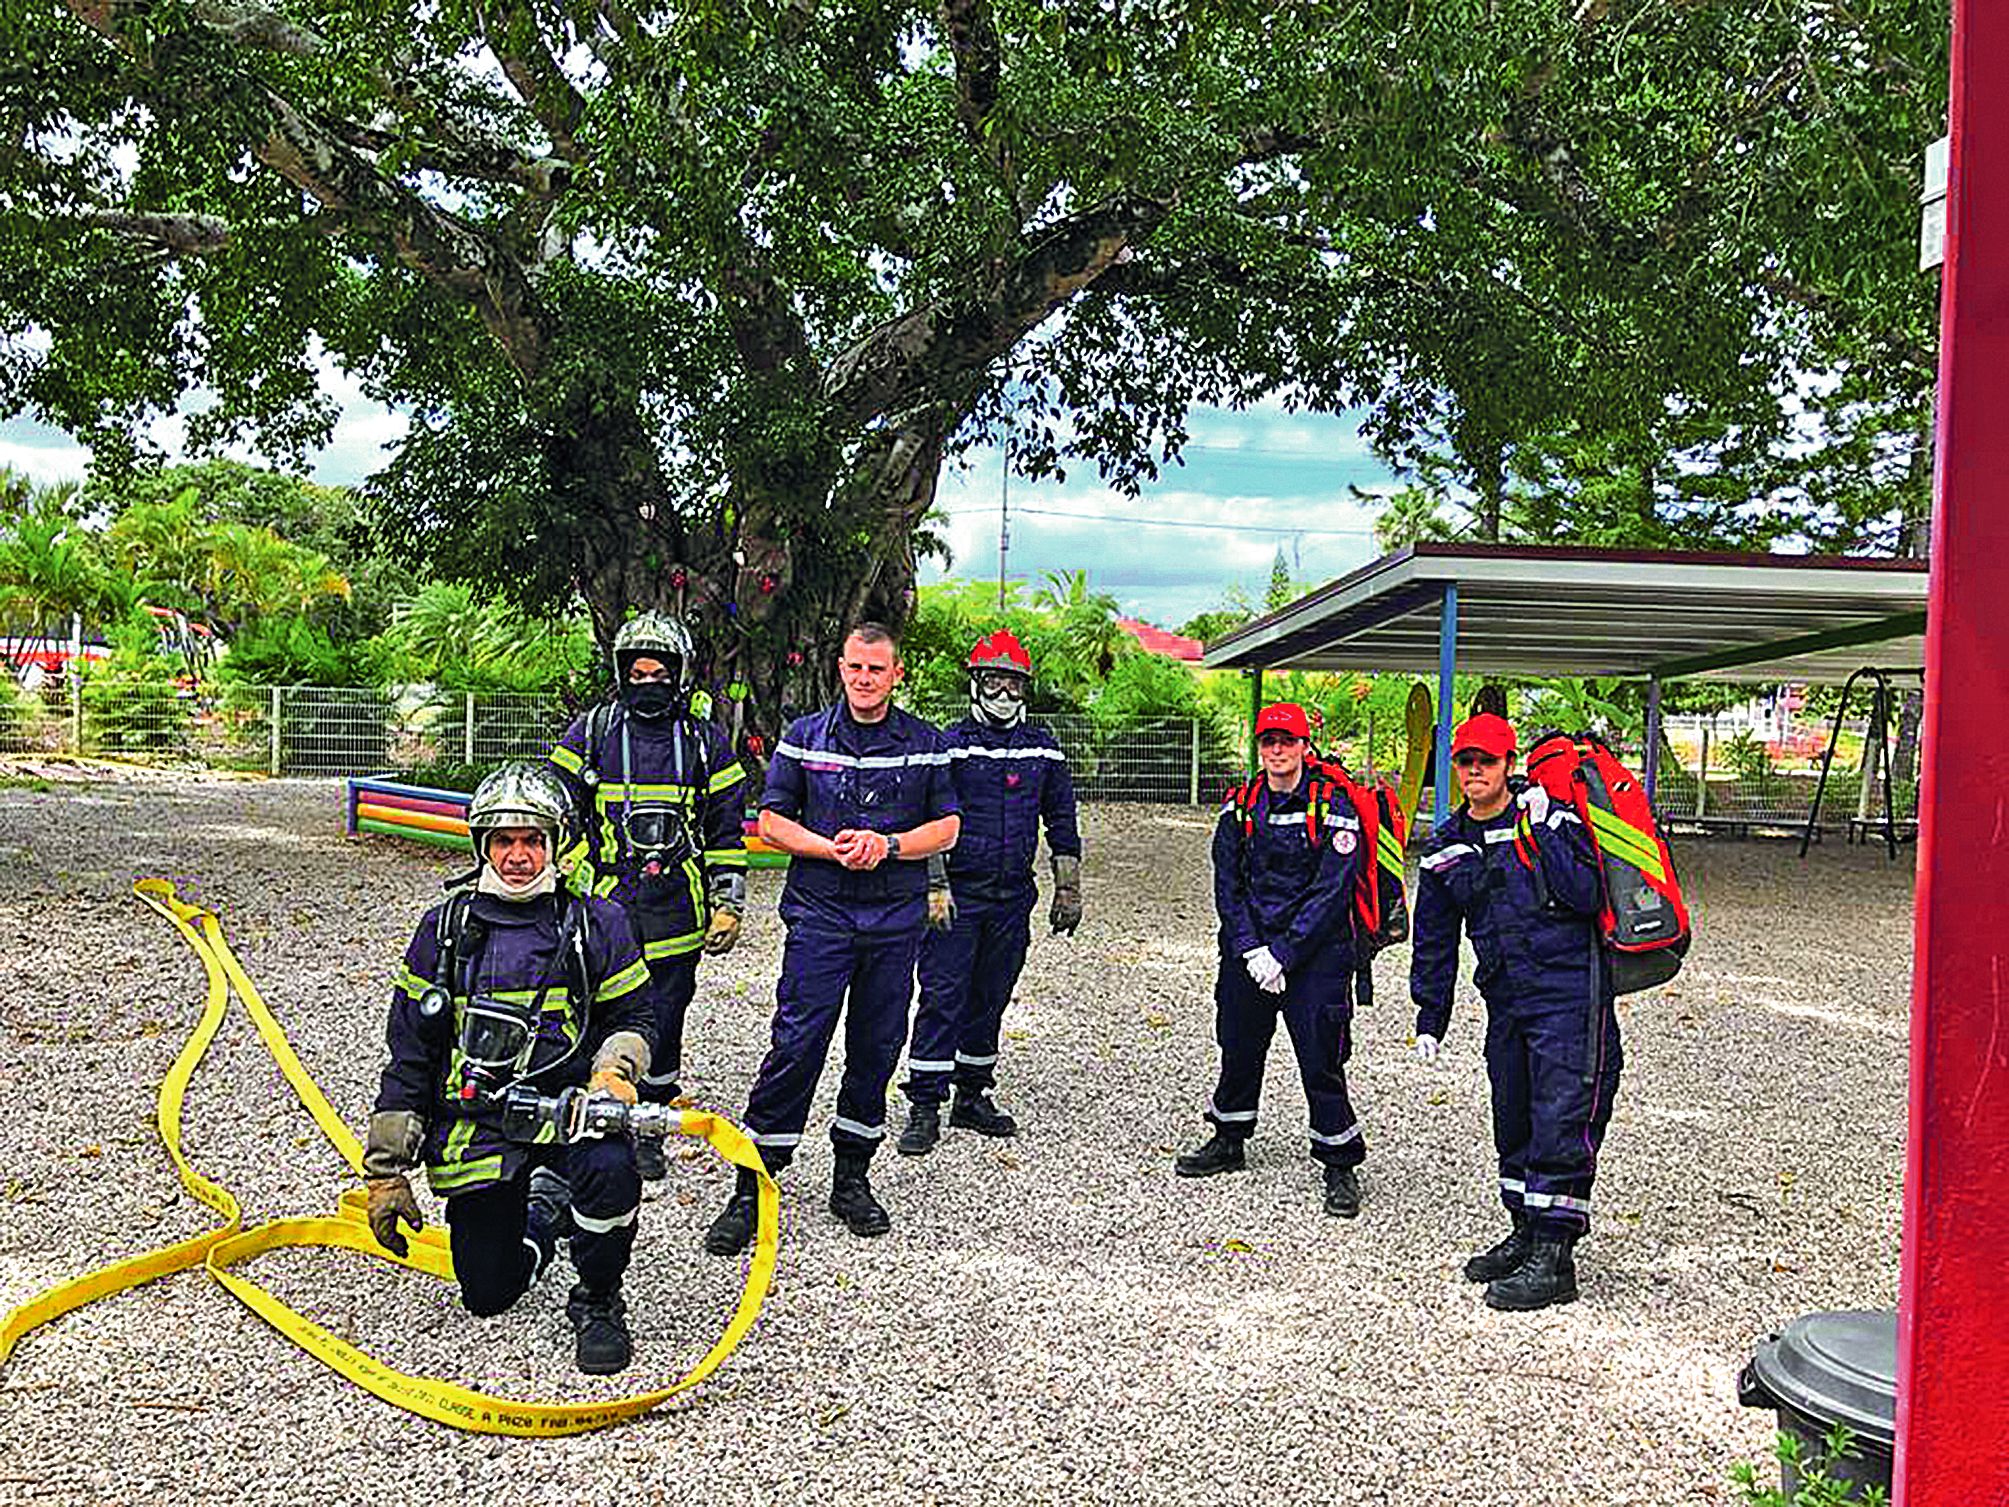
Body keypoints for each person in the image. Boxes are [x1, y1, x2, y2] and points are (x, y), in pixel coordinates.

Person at [361, 762, 656, 1373]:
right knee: (486, 1294)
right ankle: (542, 1217)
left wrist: (614, 1074)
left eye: (531, 840)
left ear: (557, 842)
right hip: (481, 1120)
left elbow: (636, 1016)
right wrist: (386, 1172)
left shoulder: (597, 922)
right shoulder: (444, 929)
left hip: (573, 1109)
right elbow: (411, 1052)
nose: (517, 856)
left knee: (610, 1165)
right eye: (503, 840)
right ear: (481, 845)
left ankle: (599, 1296)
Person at [702, 623, 961, 1254]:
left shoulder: (925, 745)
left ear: (897, 674)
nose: (864, 678)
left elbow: (949, 826)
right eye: (854, 667)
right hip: (820, 915)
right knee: (796, 1043)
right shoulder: (802, 737)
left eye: (876, 668)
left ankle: (852, 1178)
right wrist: (833, 849)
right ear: (839, 669)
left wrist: (890, 846)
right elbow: (769, 821)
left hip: (894, 922)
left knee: (876, 1047)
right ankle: (752, 1187)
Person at [1409, 711, 1622, 1312]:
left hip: (1568, 997)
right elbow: (1435, 934)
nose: (1475, 771)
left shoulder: (1548, 820)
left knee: (1562, 1118)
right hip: (1507, 1001)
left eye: (1487, 761)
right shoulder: (1448, 843)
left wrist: (1549, 834)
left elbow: (1586, 895)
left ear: (1509, 766)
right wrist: (1430, 1014)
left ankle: (1555, 1259)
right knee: (1514, 1117)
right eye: (1465, 762)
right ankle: (1526, 1231)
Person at [547, 611, 747, 1181]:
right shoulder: (592, 732)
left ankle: (648, 1126)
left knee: (664, 1016)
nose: (648, 680)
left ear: (680, 674)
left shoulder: (704, 742)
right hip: (606, 905)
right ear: (620, 672)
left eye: (660, 671)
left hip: (678, 912)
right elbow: (553, 806)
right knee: (590, 1009)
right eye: (637, 671)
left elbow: (726, 831)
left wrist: (728, 902)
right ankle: (585, 1115)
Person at [1175, 701, 1370, 1218]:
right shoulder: (1239, 805)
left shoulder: (1334, 804)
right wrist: (1252, 948)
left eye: (1287, 741)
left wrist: (1285, 953)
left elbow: (1333, 890)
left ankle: (1339, 1161)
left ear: (1305, 746)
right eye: (1269, 742)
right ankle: (1229, 1138)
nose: (1278, 751)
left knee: (1321, 1059)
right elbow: (1227, 883)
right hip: (1250, 950)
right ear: (1259, 748)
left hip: (1316, 955)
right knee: (1238, 1046)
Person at [895, 630, 1082, 1156]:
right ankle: (925, 1103)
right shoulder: (948, 744)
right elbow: (927, 816)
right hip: (956, 895)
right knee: (942, 994)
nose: (1003, 692)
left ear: (1026, 689)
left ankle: (972, 1094)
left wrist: (1068, 887)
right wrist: (933, 883)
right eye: (993, 680)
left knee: (991, 996)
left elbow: (1061, 819)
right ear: (975, 683)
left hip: (1012, 895)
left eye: (1013, 683)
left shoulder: (1044, 748)